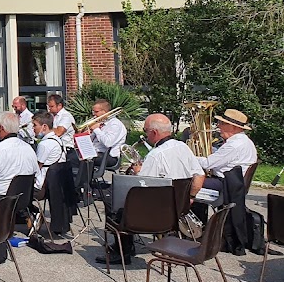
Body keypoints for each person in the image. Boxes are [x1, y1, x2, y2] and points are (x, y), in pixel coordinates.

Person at [98, 113, 204, 265]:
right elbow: (200, 176)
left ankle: (122, 251)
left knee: (114, 202)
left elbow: (141, 186)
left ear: (154, 132)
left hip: (154, 215)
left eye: (146, 131)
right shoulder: (183, 147)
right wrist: (191, 197)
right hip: (177, 212)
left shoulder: (156, 155)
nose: (145, 135)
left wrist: (137, 171)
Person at [198, 109, 258, 193]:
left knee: (187, 181)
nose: (218, 125)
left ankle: (191, 205)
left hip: (226, 184)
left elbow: (207, 164)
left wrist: (188, 156)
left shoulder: (234, 144)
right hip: (233, 183)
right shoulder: (244, 141)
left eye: (222, 123)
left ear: (233, 127)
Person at [87, 99, 126, 169]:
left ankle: (81, 179)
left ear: (105, 112)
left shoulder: (115, 124)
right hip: (96, 153)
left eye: (96, 112)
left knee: (76, 160)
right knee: (71, 156)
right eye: (93, 111)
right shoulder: (100, 123)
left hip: (109, 157)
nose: (94, 114)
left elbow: (108, 143)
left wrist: (96, 129)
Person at [32, 112, 64, 192]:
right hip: (55, 181)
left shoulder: (44, 144)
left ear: (44, 127)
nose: (33, 128)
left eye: (35, 125)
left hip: (42, 185)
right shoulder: (58, 140)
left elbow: (37, 167)